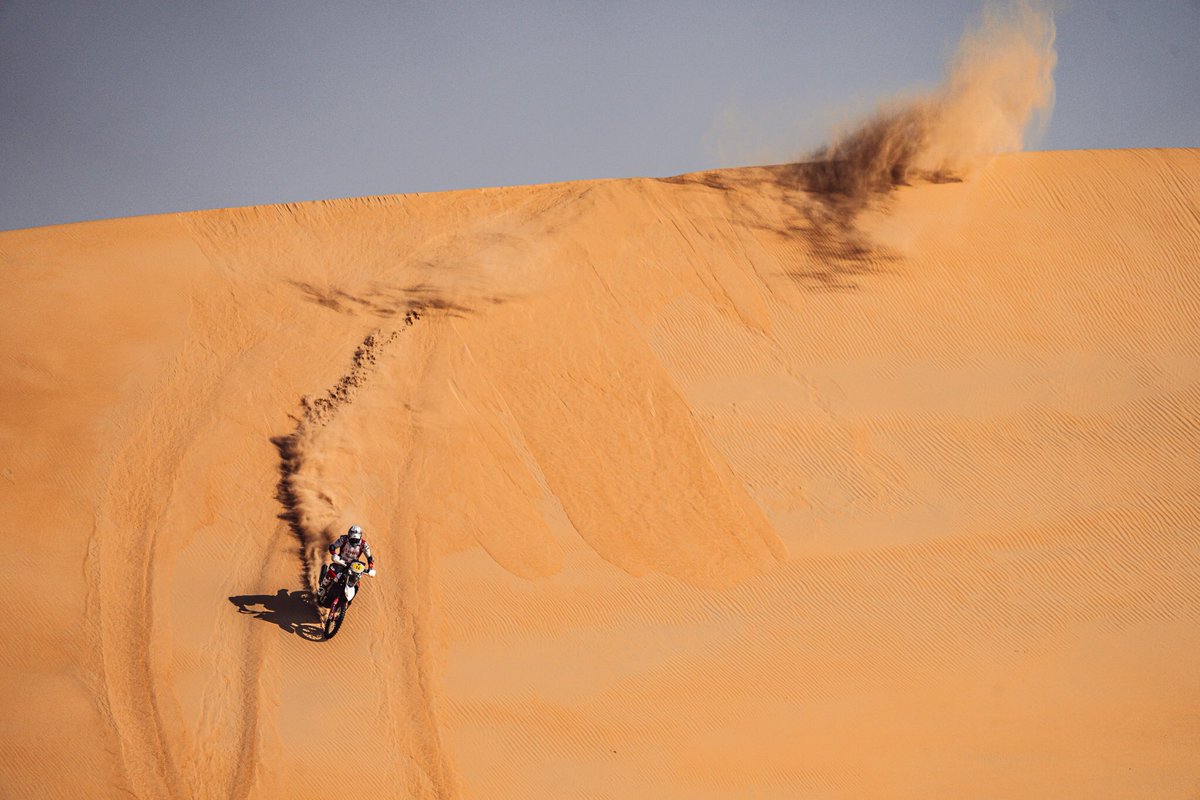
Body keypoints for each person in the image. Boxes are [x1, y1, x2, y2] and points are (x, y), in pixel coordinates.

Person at [317, 525, 376, 602]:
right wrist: (334, 554)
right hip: (341, 562)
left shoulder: (364, 544)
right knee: (332, 571)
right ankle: (323, 587)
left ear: (360, 538)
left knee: (357, 584)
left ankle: (349, 601)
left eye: (356, 539)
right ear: (349, 536)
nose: (354, 541)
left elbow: (370, 557)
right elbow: (332, 547)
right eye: (352, 539)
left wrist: (370, 567)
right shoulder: (343, 539)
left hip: (353, 566)